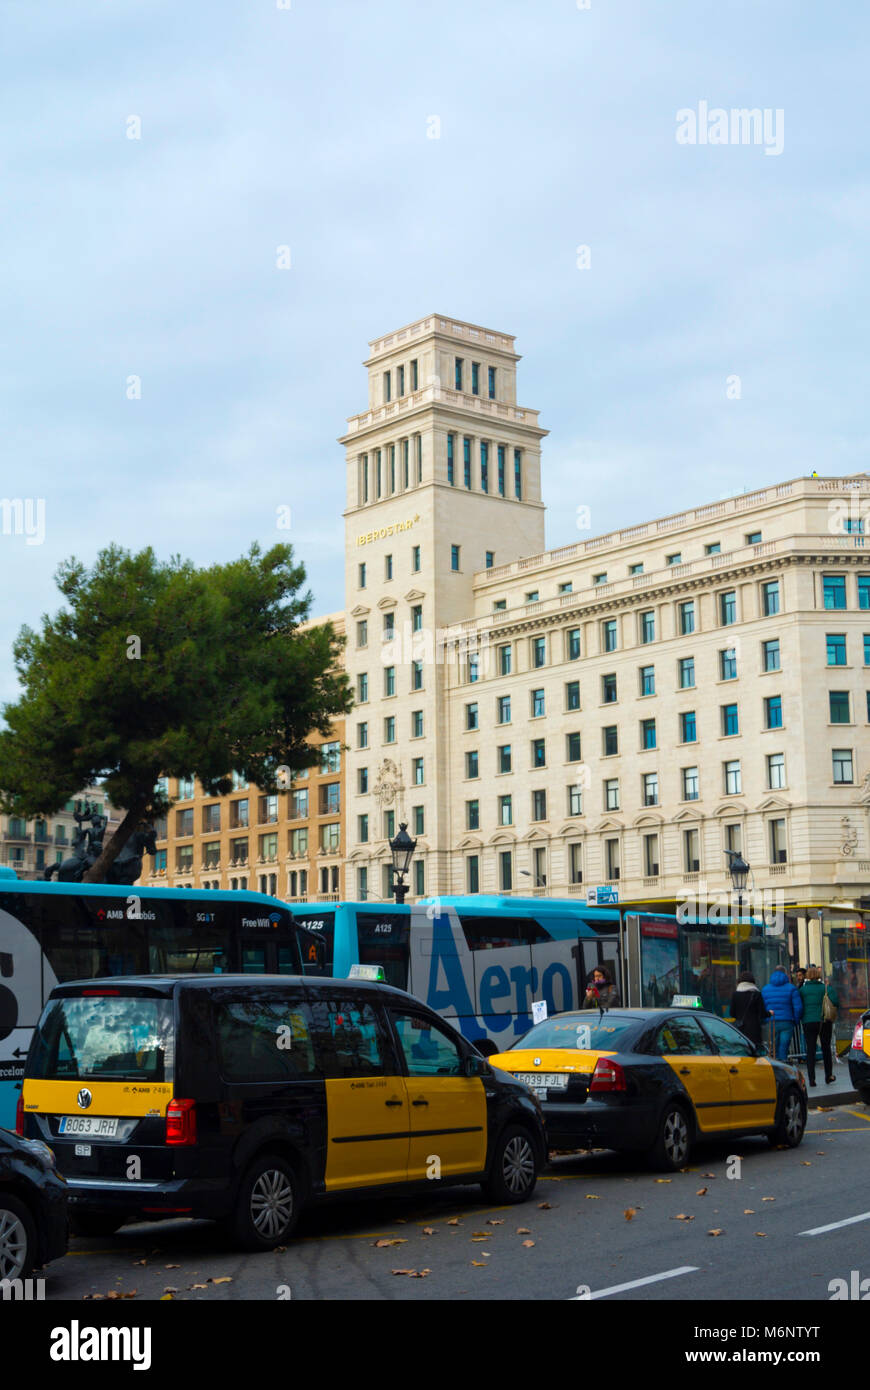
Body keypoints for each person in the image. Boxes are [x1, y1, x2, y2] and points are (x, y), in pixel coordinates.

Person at [800, 966, 839, 1086]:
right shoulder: (826, 988)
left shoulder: (802, 990)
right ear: (818, 975)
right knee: (826, 1048)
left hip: (808, 1021)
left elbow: (799, 1004)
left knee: (810, 1049)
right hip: (824, 1021)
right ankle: (829, 1076)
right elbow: (835, 1002)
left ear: (807, 976)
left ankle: (811, 1079)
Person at [761, 966, 804, 1062]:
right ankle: (783, 1063)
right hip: (787, 1021)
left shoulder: (765, 989)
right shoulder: (792, 988)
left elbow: (762, 1007)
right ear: (785, 974)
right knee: (784, 1045)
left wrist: (764, 1020)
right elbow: (798, 1007)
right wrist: (795, 1020)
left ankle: (774, 1064)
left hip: (771, 1021)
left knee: (773, 1045)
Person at [729, 971, 770, 1049]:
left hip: (740, 1030)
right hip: (754, 1030)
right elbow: (762, 1014)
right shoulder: (757, 994)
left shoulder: (735, 994)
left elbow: (732, 1013)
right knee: (754, 1051)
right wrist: (769, 1013)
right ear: (753, 982)